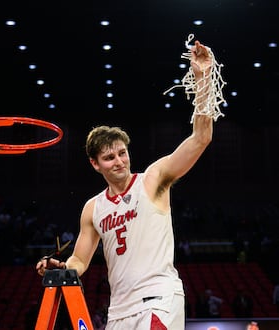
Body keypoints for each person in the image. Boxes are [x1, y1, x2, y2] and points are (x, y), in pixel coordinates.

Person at [36, 38, 225, 329]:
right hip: (119, 310)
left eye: (122, 153)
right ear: (94, 164)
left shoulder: (153, 179)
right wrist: (62, 267)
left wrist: (202, 78)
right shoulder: (92, 208)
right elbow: (80, 260)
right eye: (109, 157)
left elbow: (201, 138)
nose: (119, 161)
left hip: (158, 298)